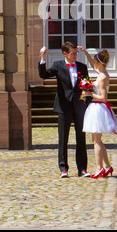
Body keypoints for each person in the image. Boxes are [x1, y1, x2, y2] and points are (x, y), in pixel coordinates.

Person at [38, 41, 92, 178]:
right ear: (65, 54)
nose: (75, 55)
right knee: (63, 138)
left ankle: (82, 169)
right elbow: (43, 75)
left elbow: (87, 86)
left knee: (81, 138)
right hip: (64, 106)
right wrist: (42, 58)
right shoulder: (58, 65)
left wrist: (89, 105)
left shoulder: (82, 67)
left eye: (76, 53)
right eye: (72, 53)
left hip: (79, 105)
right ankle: (63, 168)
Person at [78, 47, 117, 179]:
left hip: (98, 108)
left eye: (96, 61)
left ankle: (99, 167)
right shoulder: (102, 72)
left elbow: (104, 97)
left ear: (100, 63)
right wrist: (85, 52)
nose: (94, 63)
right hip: (97, 108)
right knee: (97, 139)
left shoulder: (102, 77)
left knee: (96, 140)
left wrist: (89, 93)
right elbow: (92, 63)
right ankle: (107, 166)